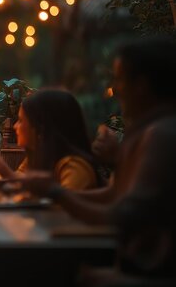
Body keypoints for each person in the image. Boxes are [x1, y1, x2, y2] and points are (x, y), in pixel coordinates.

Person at [25, 36, 176, 279]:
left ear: (142, 85)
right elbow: (114, 193)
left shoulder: (163, 135)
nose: (115, 89)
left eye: (119, 79)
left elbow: (121, 216)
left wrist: (55, 192)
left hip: (149, 275)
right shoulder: (150, 130)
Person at [0, 89, 105, 191]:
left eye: (21, 120)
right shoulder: (35, 158)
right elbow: (17, 187)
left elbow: (63, 209)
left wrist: (8, 174)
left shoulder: (74, 166)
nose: (15, 126)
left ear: (41, 128)